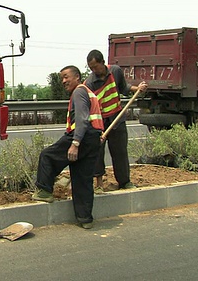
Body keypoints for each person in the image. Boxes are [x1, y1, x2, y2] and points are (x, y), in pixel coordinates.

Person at [32, 65, 104, 229]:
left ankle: (44, 191)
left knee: (48, 156)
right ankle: (85, 219)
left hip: (81, 136)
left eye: (66, 77)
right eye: (62, 78)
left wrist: (75, 144)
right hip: (92, 138)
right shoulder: (89, 92)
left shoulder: (79, 91)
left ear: (77, 77)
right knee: (82, 180)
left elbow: (82, 119)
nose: (63, 81)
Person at [84, 49, 148, 191]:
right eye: (91, 68)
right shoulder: (89, 84)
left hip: (117, 118)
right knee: (97, 152)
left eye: (96, 67)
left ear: (103, 63)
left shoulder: (115, 71)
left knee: (119, 151)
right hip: (100, 122)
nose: (94, 70)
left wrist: (138, 88)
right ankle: (99, 184)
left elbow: (124, 88)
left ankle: (124, 182)